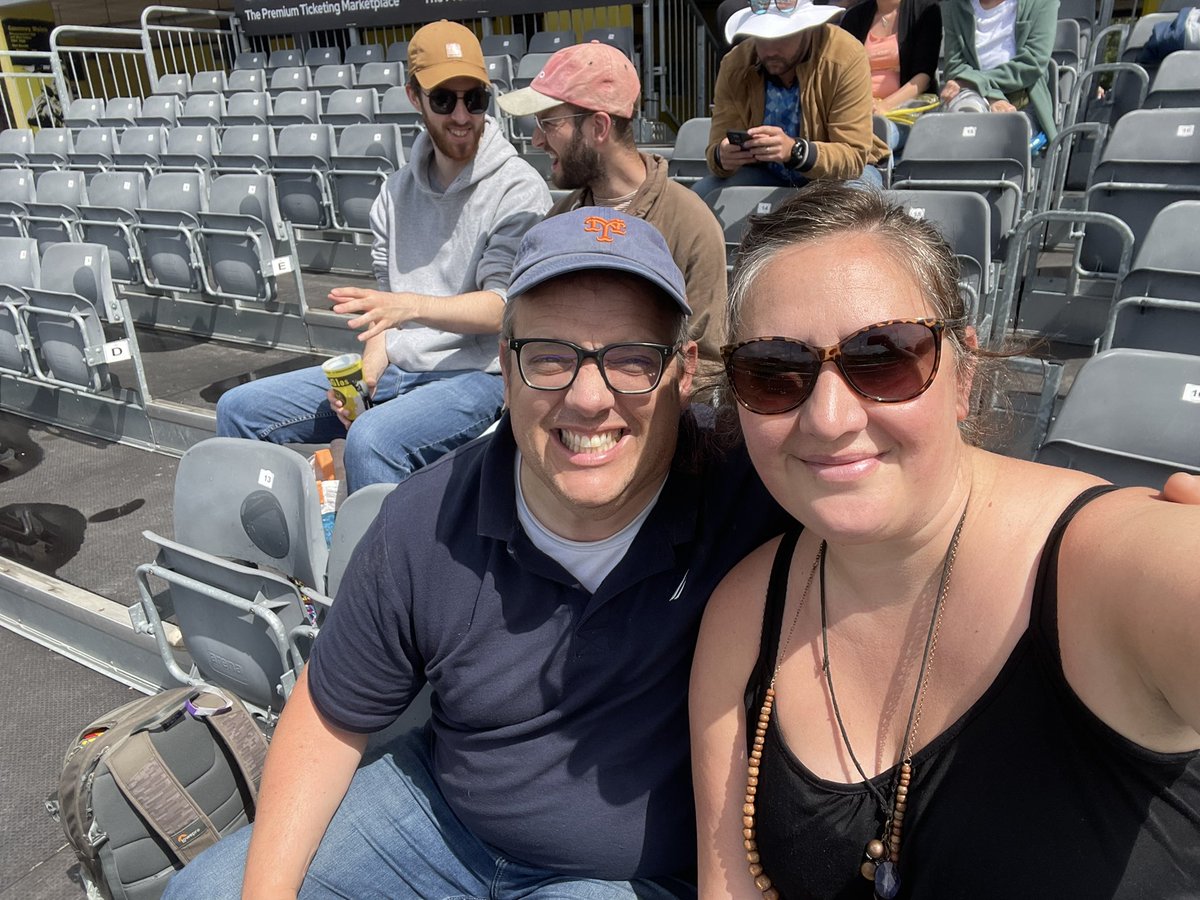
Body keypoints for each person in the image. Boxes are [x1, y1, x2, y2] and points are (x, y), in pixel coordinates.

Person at [163, 207, 792, 899]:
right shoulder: (427, 517)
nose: (589, 398)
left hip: (618, 878)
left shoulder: (757, 490)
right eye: (549, 356)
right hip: (439, 820)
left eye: (632, 359)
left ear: (684, 371)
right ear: (506, 367)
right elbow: (328, 712)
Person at [690, 183, 1200, 898]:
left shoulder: (1112, 565)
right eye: (775, 371)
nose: (830, 418)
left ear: (962, 375)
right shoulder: (743, 615)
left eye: (883, 357)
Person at [215, 20, 551, 492]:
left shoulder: (517, 188)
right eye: (444, 99)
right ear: (415, 97)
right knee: (238, 409)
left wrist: (407, 307)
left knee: (371, 440)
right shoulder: (393, 193)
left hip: (479, 377)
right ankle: (267, 536)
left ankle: (376, 544)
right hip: (398, 370)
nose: (462, 115)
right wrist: (370, 366)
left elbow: (504, 309)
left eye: (474, 99)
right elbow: (384, 311)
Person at [498, 40, 728, 366]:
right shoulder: (558, 220)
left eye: (548, 124)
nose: (537, 140)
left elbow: (706, 364)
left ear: (599, 127)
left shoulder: (690, 224)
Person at [696, 0, 889, 199]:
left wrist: (795, 151)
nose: (770, 50)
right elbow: (716, 146)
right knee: (702, 195)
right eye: (761, 38)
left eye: (782, 38)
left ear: (807, 29)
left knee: (855, 200)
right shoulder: (734, 64)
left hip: (841, 175)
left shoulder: (845, 55)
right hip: (766, 171)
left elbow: (853, 157)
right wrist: (722, 156)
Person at [940, 0, 1059, 142]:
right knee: (965, 121)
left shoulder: (1041, 3)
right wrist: (993, 96)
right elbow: (955, 66)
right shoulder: (954, 5)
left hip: (1022, 102)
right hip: (972, 95)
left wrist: (974, 81)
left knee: (1005, 131)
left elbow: (1033, 63)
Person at [839, 0, 941, 150]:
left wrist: (883, 106)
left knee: (878, 132)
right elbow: (842, 74)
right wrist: (864, 103)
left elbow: (923, 77)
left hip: (903, 115)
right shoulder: (854, 16)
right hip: (860, 109)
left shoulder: (925, 10)